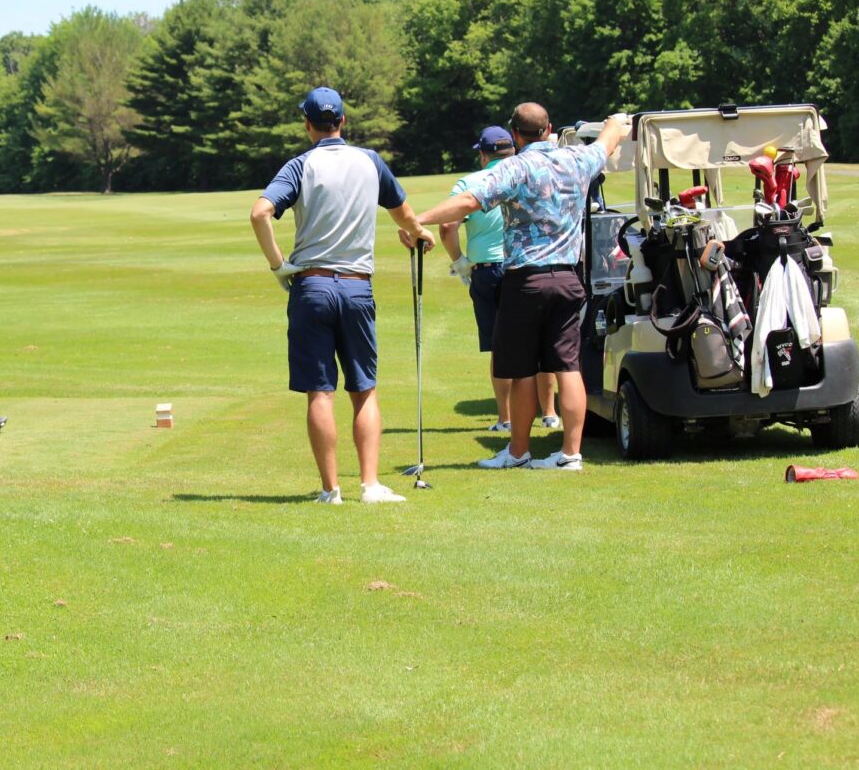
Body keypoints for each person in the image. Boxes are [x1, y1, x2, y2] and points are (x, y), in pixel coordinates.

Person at [412, 105, 629, 470]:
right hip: (568, 278)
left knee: (523, 368)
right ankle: (571, 455)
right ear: (548, 129)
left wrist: (418, 219)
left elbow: (468, 201)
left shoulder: (514, 167)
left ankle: (518, 453)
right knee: (568, 367)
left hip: (526, 280)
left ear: (515, 134)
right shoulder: (576, 159)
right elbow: (606, 144)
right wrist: (615, 123)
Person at [250, 87, 435, 504]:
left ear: (307, 124)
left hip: (311, 286)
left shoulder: (300, 165)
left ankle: (330, 489)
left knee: (321, 391)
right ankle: (370, 485)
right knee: (364, 388)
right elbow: (403, 213)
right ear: (343, 122)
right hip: (356, 287)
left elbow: (260, 212)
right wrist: (420, 233)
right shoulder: (369, 161)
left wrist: (279, 265)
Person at [437, 126, 560, 433]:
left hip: (488, 272)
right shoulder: (529, 173)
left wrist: (459, 261)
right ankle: (549, 413)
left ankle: (505, 419)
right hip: (529, 267)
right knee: (541, 342)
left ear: (482, 154)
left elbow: (447, 226)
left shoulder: (473, 182)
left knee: (501, 346)